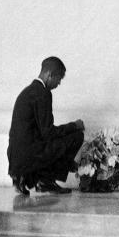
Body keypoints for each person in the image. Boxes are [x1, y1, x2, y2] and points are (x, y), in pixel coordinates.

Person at [7, 56, 84, 196]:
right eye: (59, 79)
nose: (59, 83)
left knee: (59, 142)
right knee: (76, 136)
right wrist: (74, 125)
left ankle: (28, 177)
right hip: (29, 156)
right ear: (50, 75)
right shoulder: (43, 94)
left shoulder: (28, 91)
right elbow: (48, 133)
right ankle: (45, 181)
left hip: (16, 157)